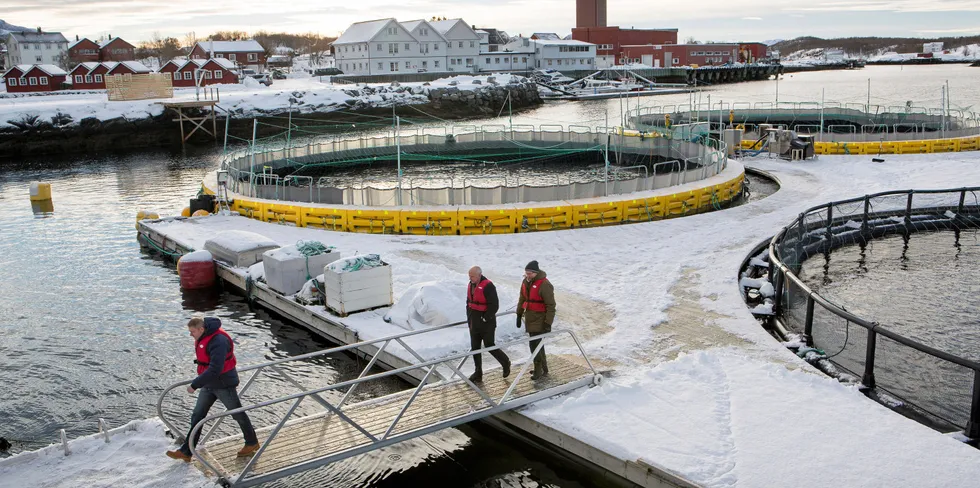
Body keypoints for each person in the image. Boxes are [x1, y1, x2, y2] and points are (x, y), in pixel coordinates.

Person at [166, 317, 259, 462]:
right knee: (197, 416)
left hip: (223, 384)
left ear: (201, 329)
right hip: (209, 383)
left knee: (237, 413)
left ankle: (252, 442)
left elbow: (216, 368)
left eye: (192, 332)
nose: (191, 335)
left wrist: (194, 385)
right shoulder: (205, 335)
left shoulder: (218, 341)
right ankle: (187, 451)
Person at [466, 266, 511, 383]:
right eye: (469, 276)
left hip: (487, 323)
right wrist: (469, 318)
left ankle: (505, 362)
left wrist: (485, 318)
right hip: (474, 321)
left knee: (489, 345)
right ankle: (478, 372)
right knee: (475, 348)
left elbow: (494, 305)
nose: (470, 278)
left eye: (472, 276)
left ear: (479, 275)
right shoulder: (470, 284)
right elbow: (468, 302)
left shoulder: (488, 286)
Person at [516, 260, 556, 380]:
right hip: (530, 317)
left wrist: (548, 323)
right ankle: (543, 368)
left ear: (536, 273)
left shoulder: (544, 284)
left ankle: (539, 370)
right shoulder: (525, 282)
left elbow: (551, 305)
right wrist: (519, 314)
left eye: (530, 273)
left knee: (535, 344)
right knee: (537, 344)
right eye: (526, 273)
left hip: (540, 319)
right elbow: (522, 298)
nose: (527, 275)